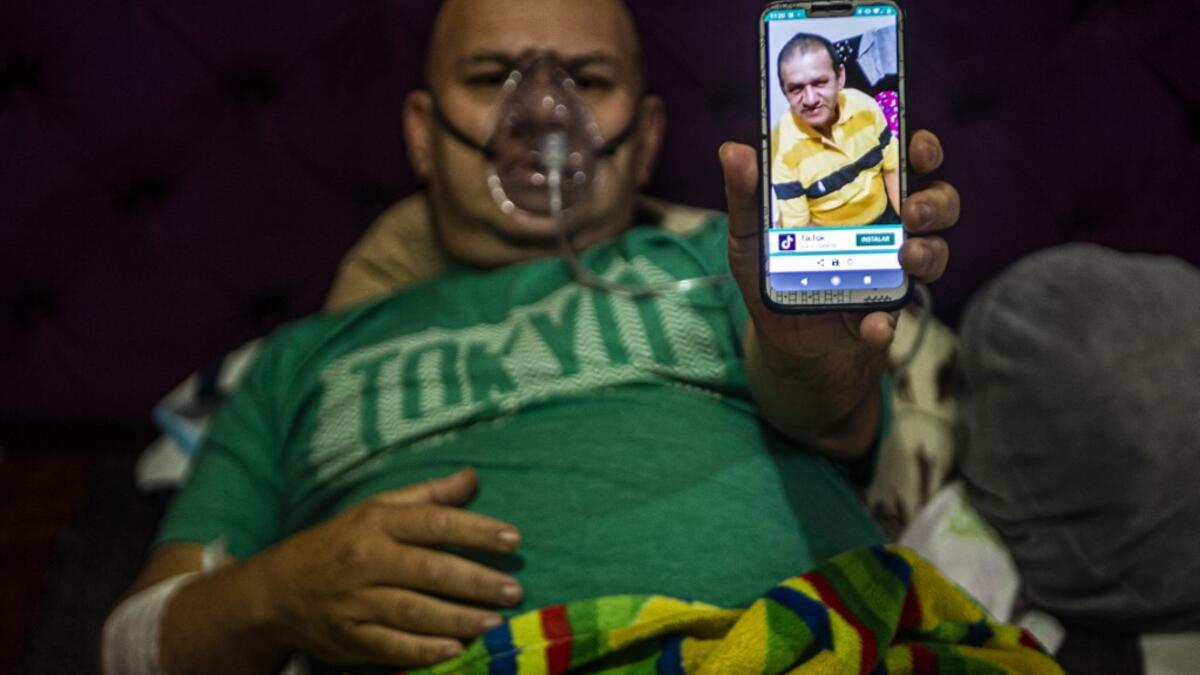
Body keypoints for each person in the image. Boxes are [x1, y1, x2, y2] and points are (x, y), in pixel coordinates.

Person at [103, 0, 960, 673]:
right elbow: (133, 647)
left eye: (586, 78)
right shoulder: (296, 363)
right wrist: (280, 593)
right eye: (492, 75)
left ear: (648, 133)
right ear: (423, 132)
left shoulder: (729, 256)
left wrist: (813, 346)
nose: (543, 111)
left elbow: (830, 415)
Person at [771, 32, 901, 228]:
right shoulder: (780, 147)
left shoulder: (865, 106)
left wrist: (907, 224)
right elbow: (800, 227)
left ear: (840, 77)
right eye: (796, 89)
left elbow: (892, 168)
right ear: (784, 91)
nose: (810, 99)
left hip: (886, 219)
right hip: (832, 239)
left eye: (820, 83)